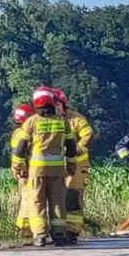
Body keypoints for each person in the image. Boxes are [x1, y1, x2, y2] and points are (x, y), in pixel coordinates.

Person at [12, 87, 76, 246]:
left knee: (37, 202)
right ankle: (59, 233)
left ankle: (40, 235)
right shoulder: (63, 121)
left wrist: (17, 166)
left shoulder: (31, 122)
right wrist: (71, 164)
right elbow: (71, 146)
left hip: (37, 171)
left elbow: (21, 148)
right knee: (58, 202)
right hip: (57, 171)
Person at [55, 89, 94, 241]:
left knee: (73, 197)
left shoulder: (75, 119)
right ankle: (58, 231)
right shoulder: (49, 121)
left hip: (77, 167)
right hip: (57, 167)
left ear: (63, 105)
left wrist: (76, 149)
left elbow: (88, 135)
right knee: (57, 199)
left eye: (57, 104)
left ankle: (72, 231)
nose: (55, 108)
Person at [10, 103, 35, 234]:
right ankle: (25, 227)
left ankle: (24, 227)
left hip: (24, 170)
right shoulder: (22, 134)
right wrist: (23, 171)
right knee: (28, 199)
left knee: (27, 198)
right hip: (25, 171)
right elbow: (20, 153)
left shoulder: (17, 133)